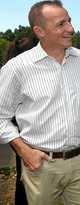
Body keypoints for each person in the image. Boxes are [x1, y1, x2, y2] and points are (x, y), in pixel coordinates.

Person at [0, 0, 80, 204]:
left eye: (69, 21)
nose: (71, 29)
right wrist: (24, 151)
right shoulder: (17, 68)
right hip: (41, 167)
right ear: (40, 31)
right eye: (61, 24)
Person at [4, 35, 39, 205]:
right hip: (27, 131)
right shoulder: (22, 74)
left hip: (19, 130)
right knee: (29, 176)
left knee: (25, 174)